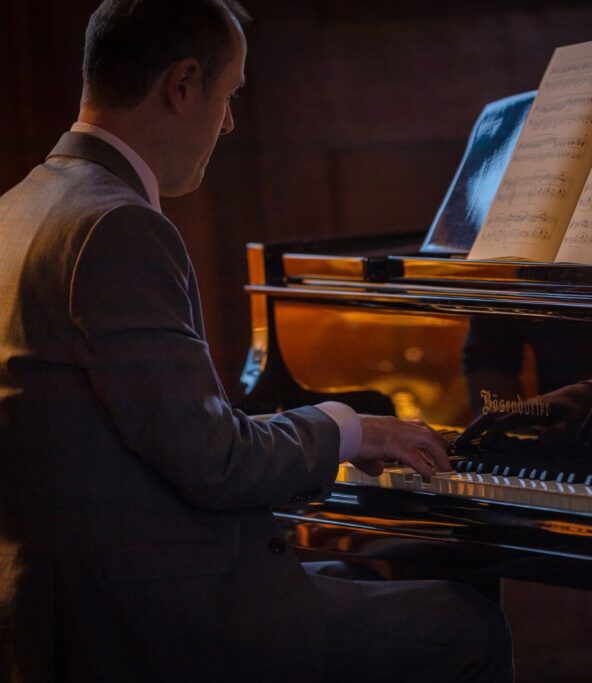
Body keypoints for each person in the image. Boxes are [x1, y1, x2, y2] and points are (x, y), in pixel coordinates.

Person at [0, 1, 513, 680]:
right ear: (182, 85)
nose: (230, 122)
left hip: (62, 597)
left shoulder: (20, 208)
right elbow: (213, 462)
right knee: (467, 624)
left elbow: (155, 433)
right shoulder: (116, 228)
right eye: (229, 94)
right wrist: (350, 428)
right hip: (145, 619)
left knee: (356, 568)